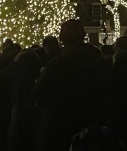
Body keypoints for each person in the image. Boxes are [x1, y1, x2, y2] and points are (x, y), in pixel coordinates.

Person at [32, 19, 111, 151]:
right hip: (93, 125)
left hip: (60, 127)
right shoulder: (100, 62)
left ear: (63, 38)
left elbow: (38, 93)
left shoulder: (57, 65)